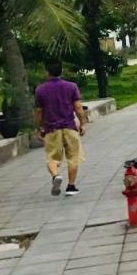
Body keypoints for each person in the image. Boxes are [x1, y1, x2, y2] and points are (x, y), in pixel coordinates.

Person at [33, 59, 88, 196]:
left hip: (51, 129)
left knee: (52, 158)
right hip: (70, 127)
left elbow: (39, 112)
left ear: (47, 72)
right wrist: (82, 123)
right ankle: (71, 186)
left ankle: (55, 175)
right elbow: (78, 107)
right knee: (73, 157)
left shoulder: (40, 90)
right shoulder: (71, 86)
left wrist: (39, 127)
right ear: (61, 71)